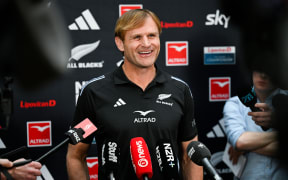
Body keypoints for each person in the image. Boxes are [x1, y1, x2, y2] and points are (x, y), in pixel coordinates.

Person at [66, 9, 203, 180]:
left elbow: (189, 156)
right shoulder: (94, 92)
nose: (146, 44)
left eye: (152, 35)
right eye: (137, 37)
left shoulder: (180, 90)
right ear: (120, 43)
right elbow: (76, 156)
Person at [223, 70, 288, 179]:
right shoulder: (235, 103)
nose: (263, 75)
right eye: (259, 69)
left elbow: (242, 144)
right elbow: (240, 141)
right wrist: (283, 134)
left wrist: (249, 147)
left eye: (268, 69)